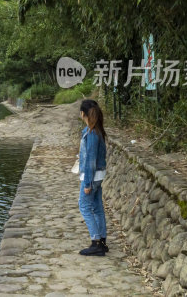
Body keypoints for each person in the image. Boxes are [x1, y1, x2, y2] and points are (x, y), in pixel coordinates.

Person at [77, 99, 108, 256]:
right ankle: (102, 241)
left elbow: (90, 160)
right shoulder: (97, 131)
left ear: (83, 114)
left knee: (84, 206)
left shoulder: (92, 134)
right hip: (99, 175)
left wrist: (87, 183)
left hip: (92, 177)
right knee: (97, 207)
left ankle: (96, 242)